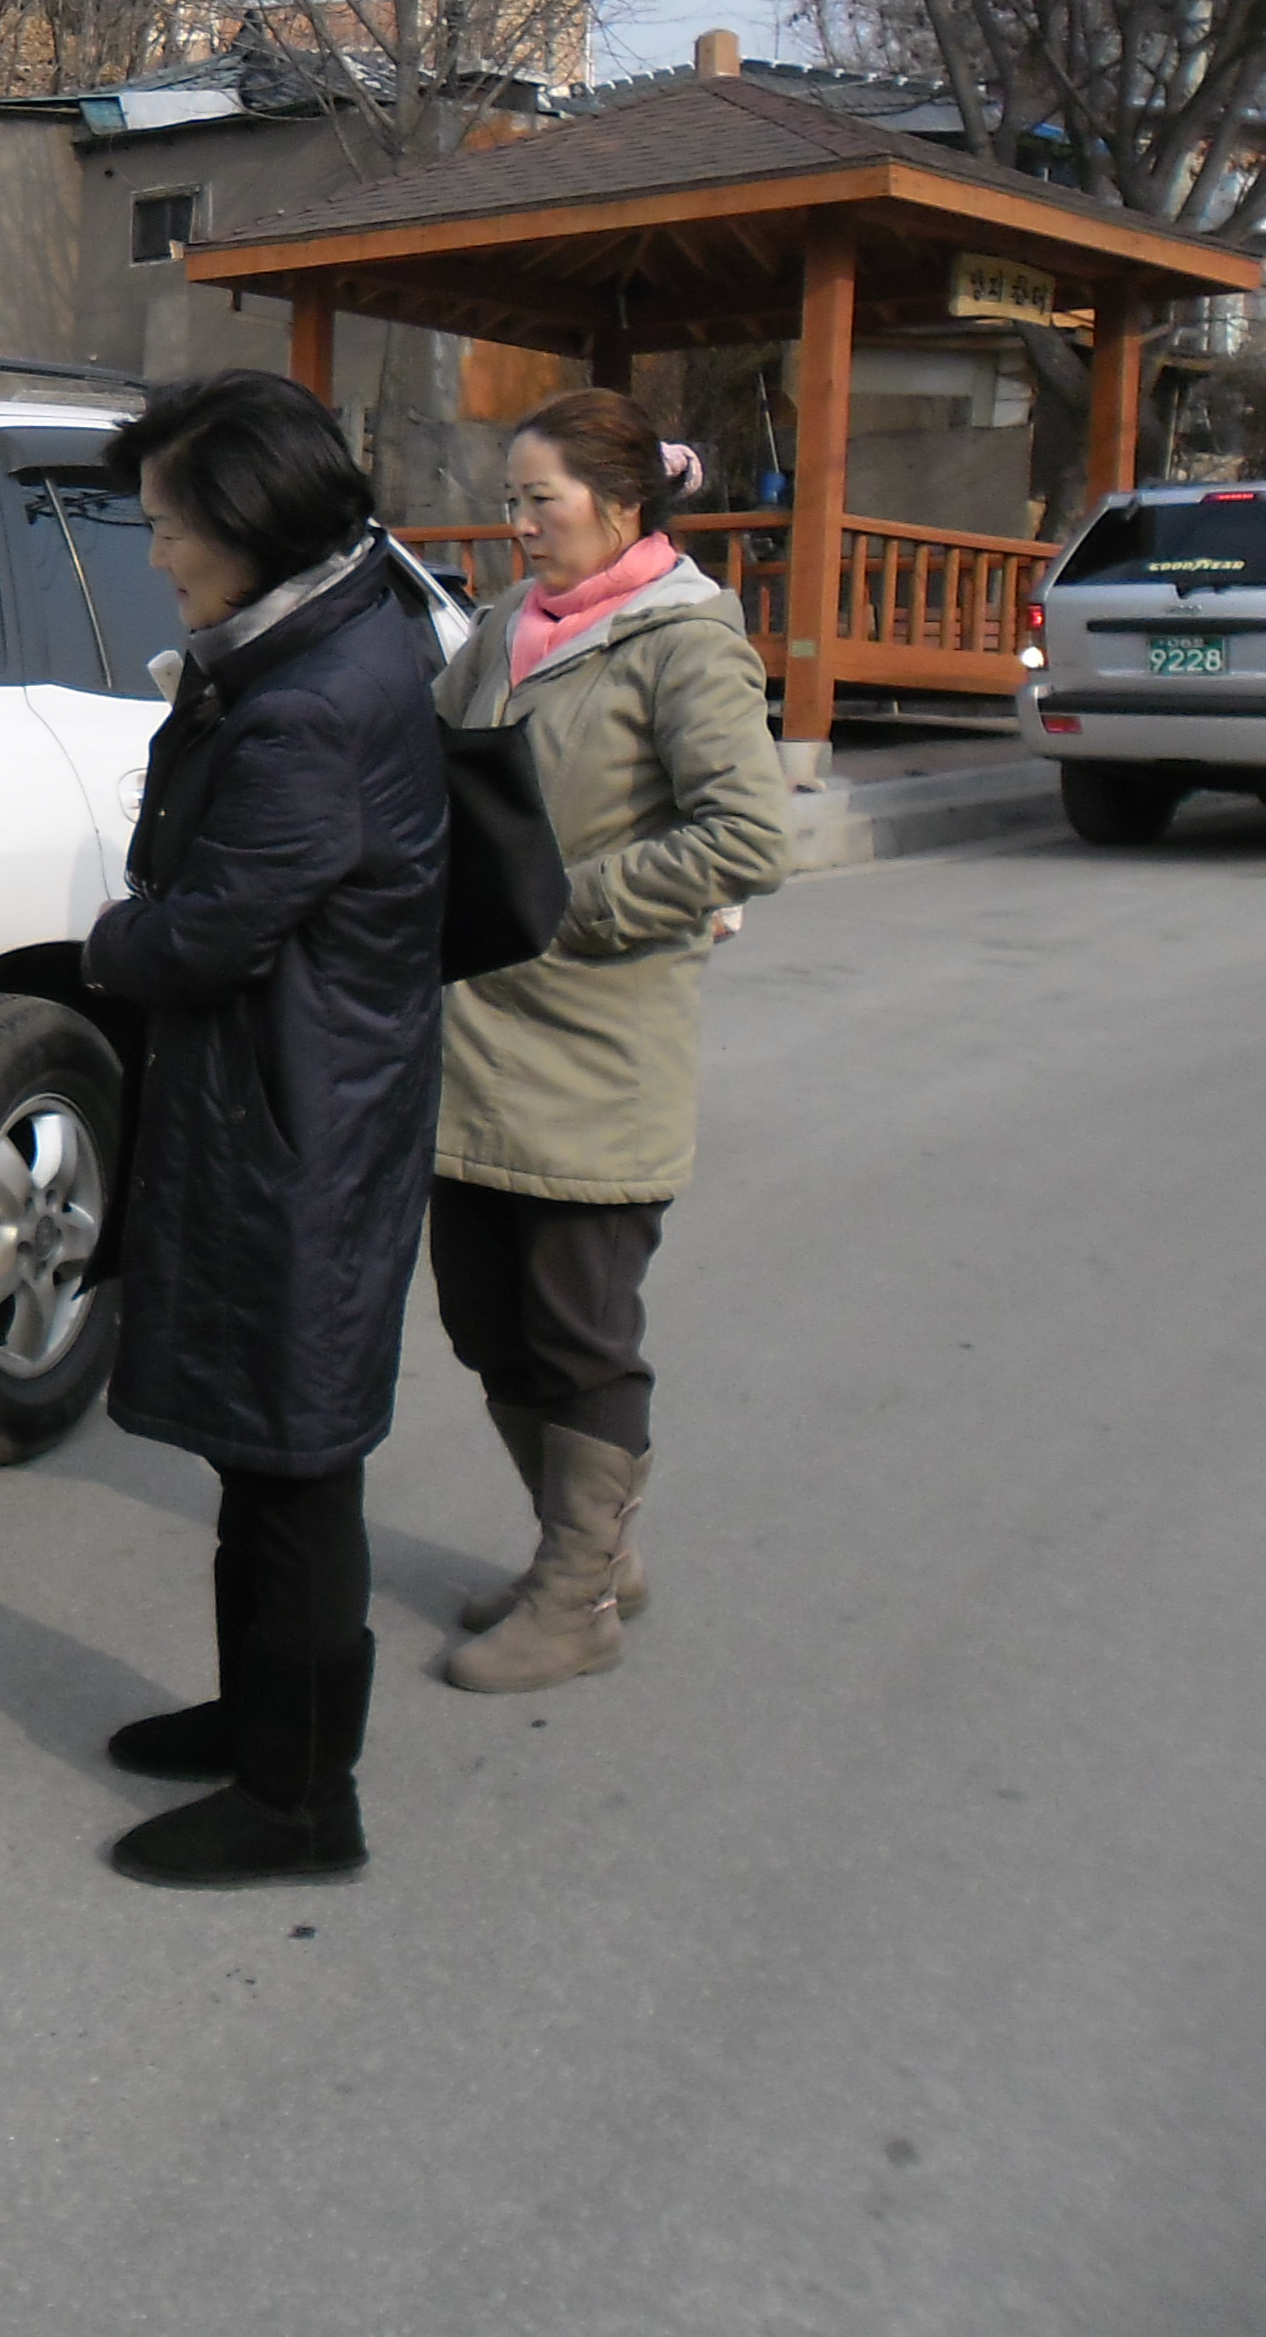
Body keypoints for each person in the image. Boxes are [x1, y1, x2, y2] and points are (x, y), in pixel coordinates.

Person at [82, 369, 448, 1888]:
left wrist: (108, 940)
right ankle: (260, 1723)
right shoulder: (334, 632)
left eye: (171, 525)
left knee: (296, 1464)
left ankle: (302, 1803)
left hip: (299, 1122)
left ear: (250, 523)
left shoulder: (306, 707)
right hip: (306, 1095)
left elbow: (208, 932)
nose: (159, 552)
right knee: (264, 1446)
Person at [427, 391, 790, 1691]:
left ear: (622, 506)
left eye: (542, 500)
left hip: (595, 1041)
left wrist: (561, 906)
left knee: (577, 1330)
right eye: (510, 501)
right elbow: (430, 765)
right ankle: (588, 1551)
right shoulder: (499, 630)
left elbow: (748, 837)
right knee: (484, 1321)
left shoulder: (682, 644)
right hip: (472, 1040)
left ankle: (576, 1597)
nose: (519, 524)